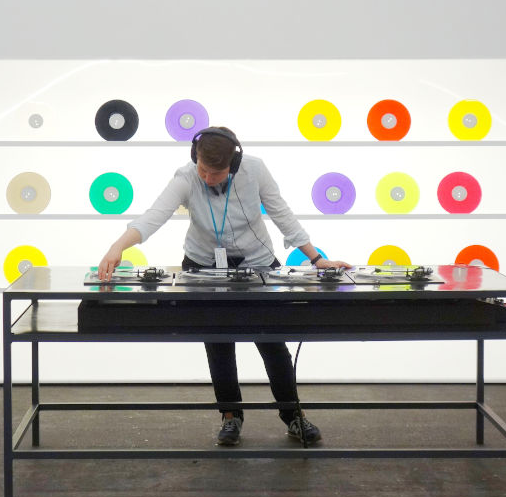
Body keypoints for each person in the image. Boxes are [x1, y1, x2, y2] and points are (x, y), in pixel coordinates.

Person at [97, 127, 351, 446]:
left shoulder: (255, 170)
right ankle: (230, 416)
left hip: (257, 263)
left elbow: (282, 214)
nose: (207, 178)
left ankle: (293, 415)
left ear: (234, 163)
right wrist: (117, 246)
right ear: (195, 157)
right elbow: (153, 216)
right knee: (218, 343)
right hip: (203, 265)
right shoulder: (186, 177)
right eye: (202, 169)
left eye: (215, 173)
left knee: (272, 343)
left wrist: (316, 259)